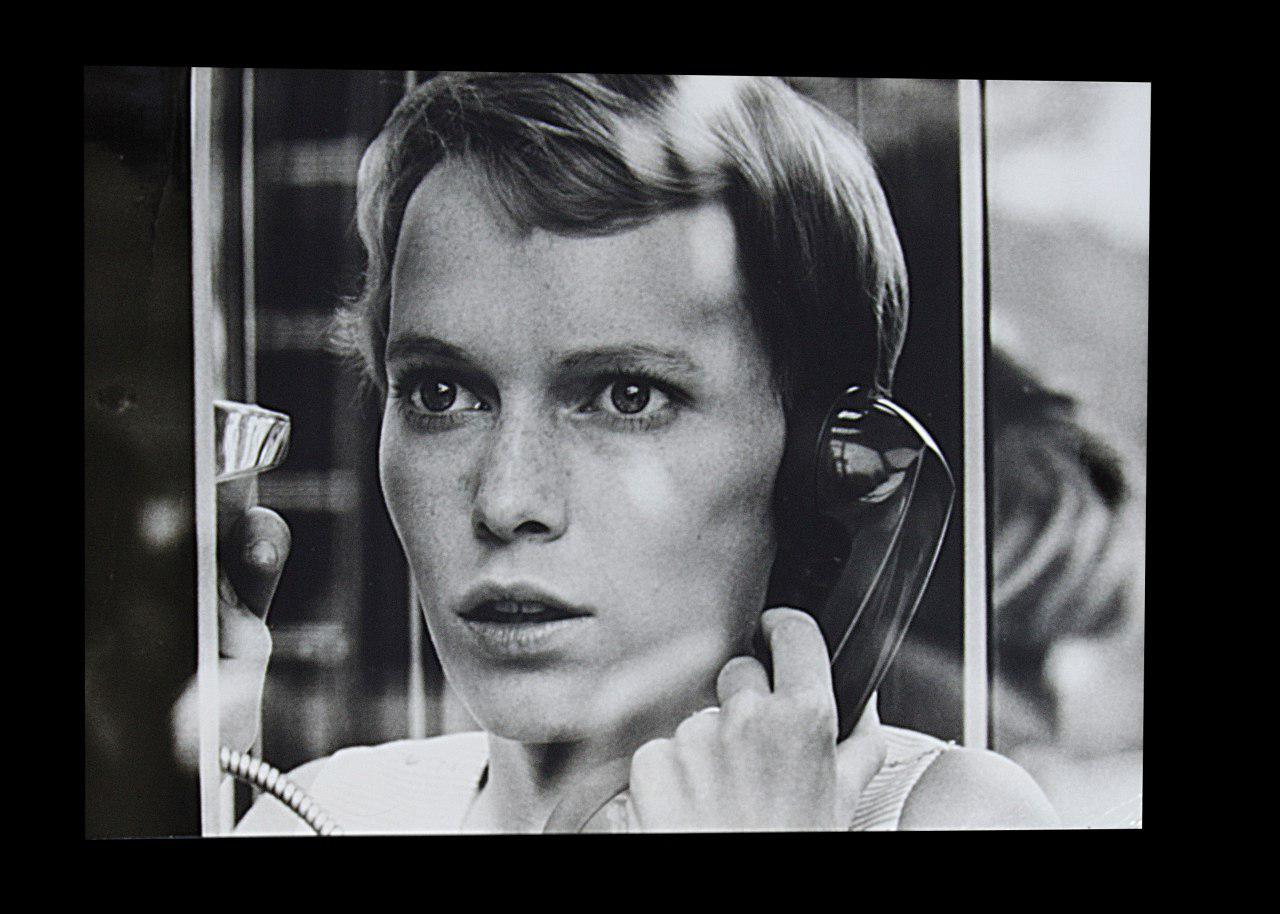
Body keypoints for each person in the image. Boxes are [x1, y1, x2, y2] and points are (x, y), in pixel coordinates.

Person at [213, 73, 1057, 832]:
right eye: (442, 394)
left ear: (821, 464)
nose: (507, 501)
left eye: (627, 397)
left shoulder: (959, 818)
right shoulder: (322, 813)